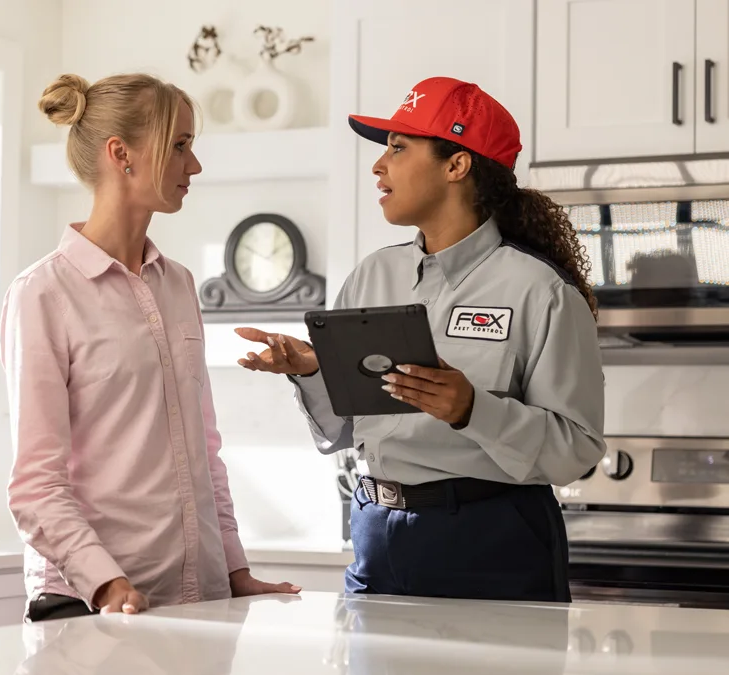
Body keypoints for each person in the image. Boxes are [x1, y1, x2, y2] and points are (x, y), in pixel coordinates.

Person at [237, 76, 605, 603]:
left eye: (398, 148)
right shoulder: (371, 277)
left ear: (457, 165)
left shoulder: (541, 290)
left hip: (493, 541)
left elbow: (578, 452)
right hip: (376, 538)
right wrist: (313, 371)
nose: (378, 165)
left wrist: (473, 409)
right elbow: (346, 429)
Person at [0, 72, 299, 622]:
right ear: (122, 154)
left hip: (199, 594)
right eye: (181, 145)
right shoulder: (43, 293)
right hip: (92, 605)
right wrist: (106, 584)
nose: (195, 165)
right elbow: (35, 484)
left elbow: (203, 450)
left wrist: (232, 569)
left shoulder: (179, 284)